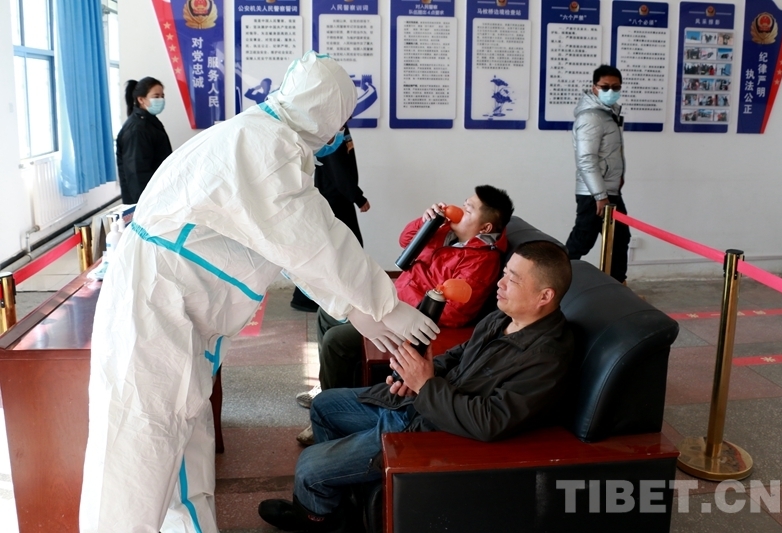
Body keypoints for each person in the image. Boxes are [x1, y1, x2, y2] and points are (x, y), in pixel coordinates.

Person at [79, 52, 439, 533]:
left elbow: (290, 244)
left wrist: (356, 307)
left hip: (173, 309)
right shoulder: (264, 147)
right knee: (138, 455)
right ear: (325, 111)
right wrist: (385, 305)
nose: (339, 132)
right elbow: (314, 239)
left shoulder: (262, 136)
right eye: (340, 119)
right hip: (155, 311)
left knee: (181, 450)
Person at [259, 240, 575, 532]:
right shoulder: (503, 318)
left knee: (309, 468)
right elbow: (459, 354)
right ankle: (339, 500)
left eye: (513, 280)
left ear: (545, 296)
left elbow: (490, 420)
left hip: (437, 432)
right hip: (423, 404)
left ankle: (319, 518)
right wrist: (412, 375)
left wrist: (425, 385)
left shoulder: (547, 357)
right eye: (505, 273)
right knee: (324, 406)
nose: (500, 283)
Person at [294, 185, 514, 445]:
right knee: (327, 314)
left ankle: (332, 415)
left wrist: (404, 310)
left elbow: (456, 312)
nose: (458, 210)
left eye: (468, 210)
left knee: (336, 340)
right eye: (464, 204)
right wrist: (426, 222)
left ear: (485, 227)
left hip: (413, 321)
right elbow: (406, 241)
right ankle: (328, 389)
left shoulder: (482, 261)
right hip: (393, 303)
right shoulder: (445, 232)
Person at [291, 123, 370, 313]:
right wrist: (358, 197)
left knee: (335, 249)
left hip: (337, 199)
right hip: (334, 201)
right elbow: (337, 169)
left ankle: (315, 297)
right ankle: (308, 298)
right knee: (342, 249)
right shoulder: (332, 129)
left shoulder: (339, 127)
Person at [565, 64, 631, 284]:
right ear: (594, 87)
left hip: (607, 191)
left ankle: (617, 288)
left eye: (616, 87)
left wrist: (615, 181)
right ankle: (554, 283)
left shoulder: (606, 114)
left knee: (619, 239)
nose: (611, 91)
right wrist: (600, 195)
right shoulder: (591, 117)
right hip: (594, 194)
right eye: (605, 87)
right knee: (582, 241)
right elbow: (586, 159)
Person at [116, 77, 173, 204]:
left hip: (157, 191)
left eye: (162, 96)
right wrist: (145, 203)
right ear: (141, 99)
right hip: (145, 199)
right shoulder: (137, 129)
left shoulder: (149, 122)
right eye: (156, 96)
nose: (161, 100)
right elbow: (137, 172)